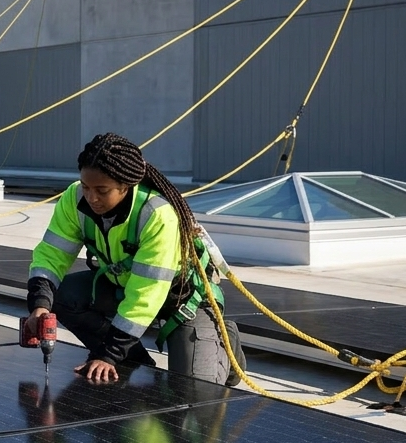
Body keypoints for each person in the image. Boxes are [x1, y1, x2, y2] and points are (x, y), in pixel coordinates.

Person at [24, 132, 243, 385]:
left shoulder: (156, 215)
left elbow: (146, 295)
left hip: (179, 301)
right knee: (63, 297)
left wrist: (109, 354)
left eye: (102, 190)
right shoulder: (75, 198)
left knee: (194, 394)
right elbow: (51, 254)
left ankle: (225, 340)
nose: (91, 197)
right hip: (123, 286)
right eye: (86, 186)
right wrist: (40, 303)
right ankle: (132, 358)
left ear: (125, 187)